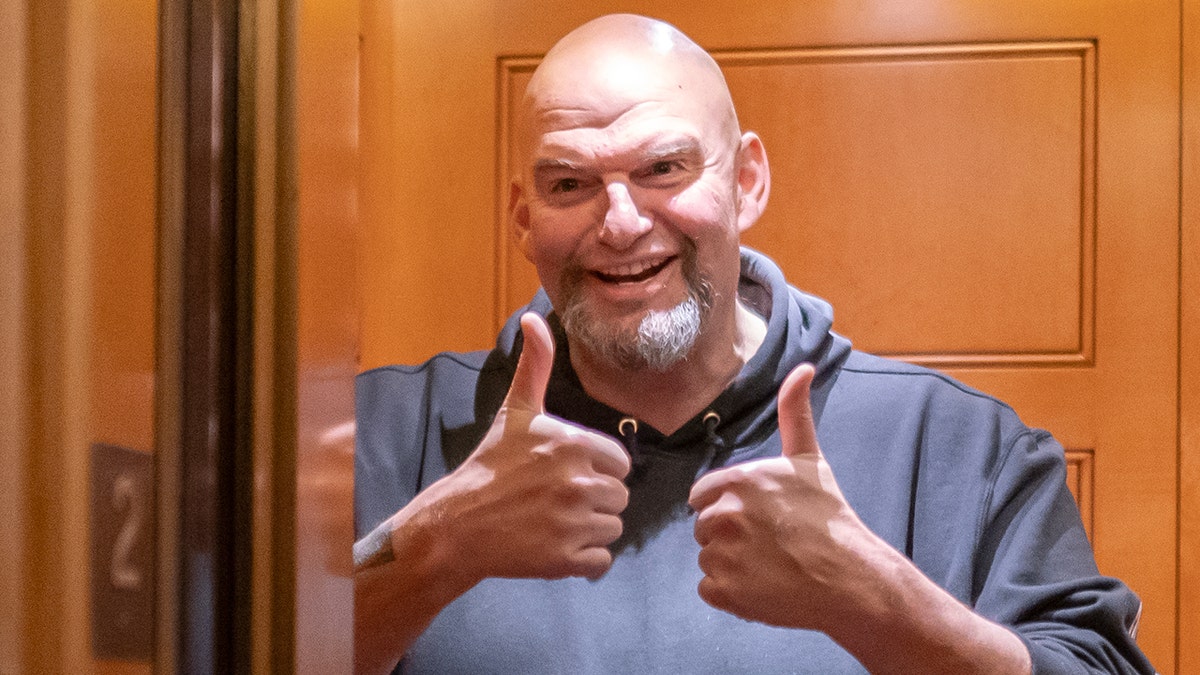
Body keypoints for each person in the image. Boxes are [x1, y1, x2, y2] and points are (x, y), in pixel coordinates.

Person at [353, 13, 1154, 675]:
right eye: (570, 183)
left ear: (746, 182)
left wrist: (876, 603)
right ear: (524, 219)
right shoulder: (374, 434)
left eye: (664, 167)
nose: (623, 221)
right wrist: (432, 550)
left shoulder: (959, 448)